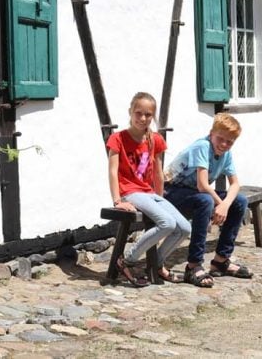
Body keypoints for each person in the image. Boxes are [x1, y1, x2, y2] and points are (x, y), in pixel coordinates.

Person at [106, 92, 190, 286]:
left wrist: (159, 199)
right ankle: (126, 260)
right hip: (130, 192)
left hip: (150, 194)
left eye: (148, 115)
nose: (143, 118)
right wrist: (118, 200)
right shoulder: (117, 139)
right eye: (138, 113)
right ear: (130, 111)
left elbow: (158, 173)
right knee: (167, 223)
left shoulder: (155, 140)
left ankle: (156, 264)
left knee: (184, 228)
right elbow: (112, 171)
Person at [164, 112, 252, 287]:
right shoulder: (202, 147)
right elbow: (202, 185)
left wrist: (225, 205)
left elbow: (235, 185)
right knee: (205, 201)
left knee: (239, 201)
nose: (224, 144)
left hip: (195, 193)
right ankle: (194, 265)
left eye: (230, 142)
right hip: (171, 192)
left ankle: (221, 260)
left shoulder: (226, 154)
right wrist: (220, 205)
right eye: (220, 139)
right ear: (212, 133)